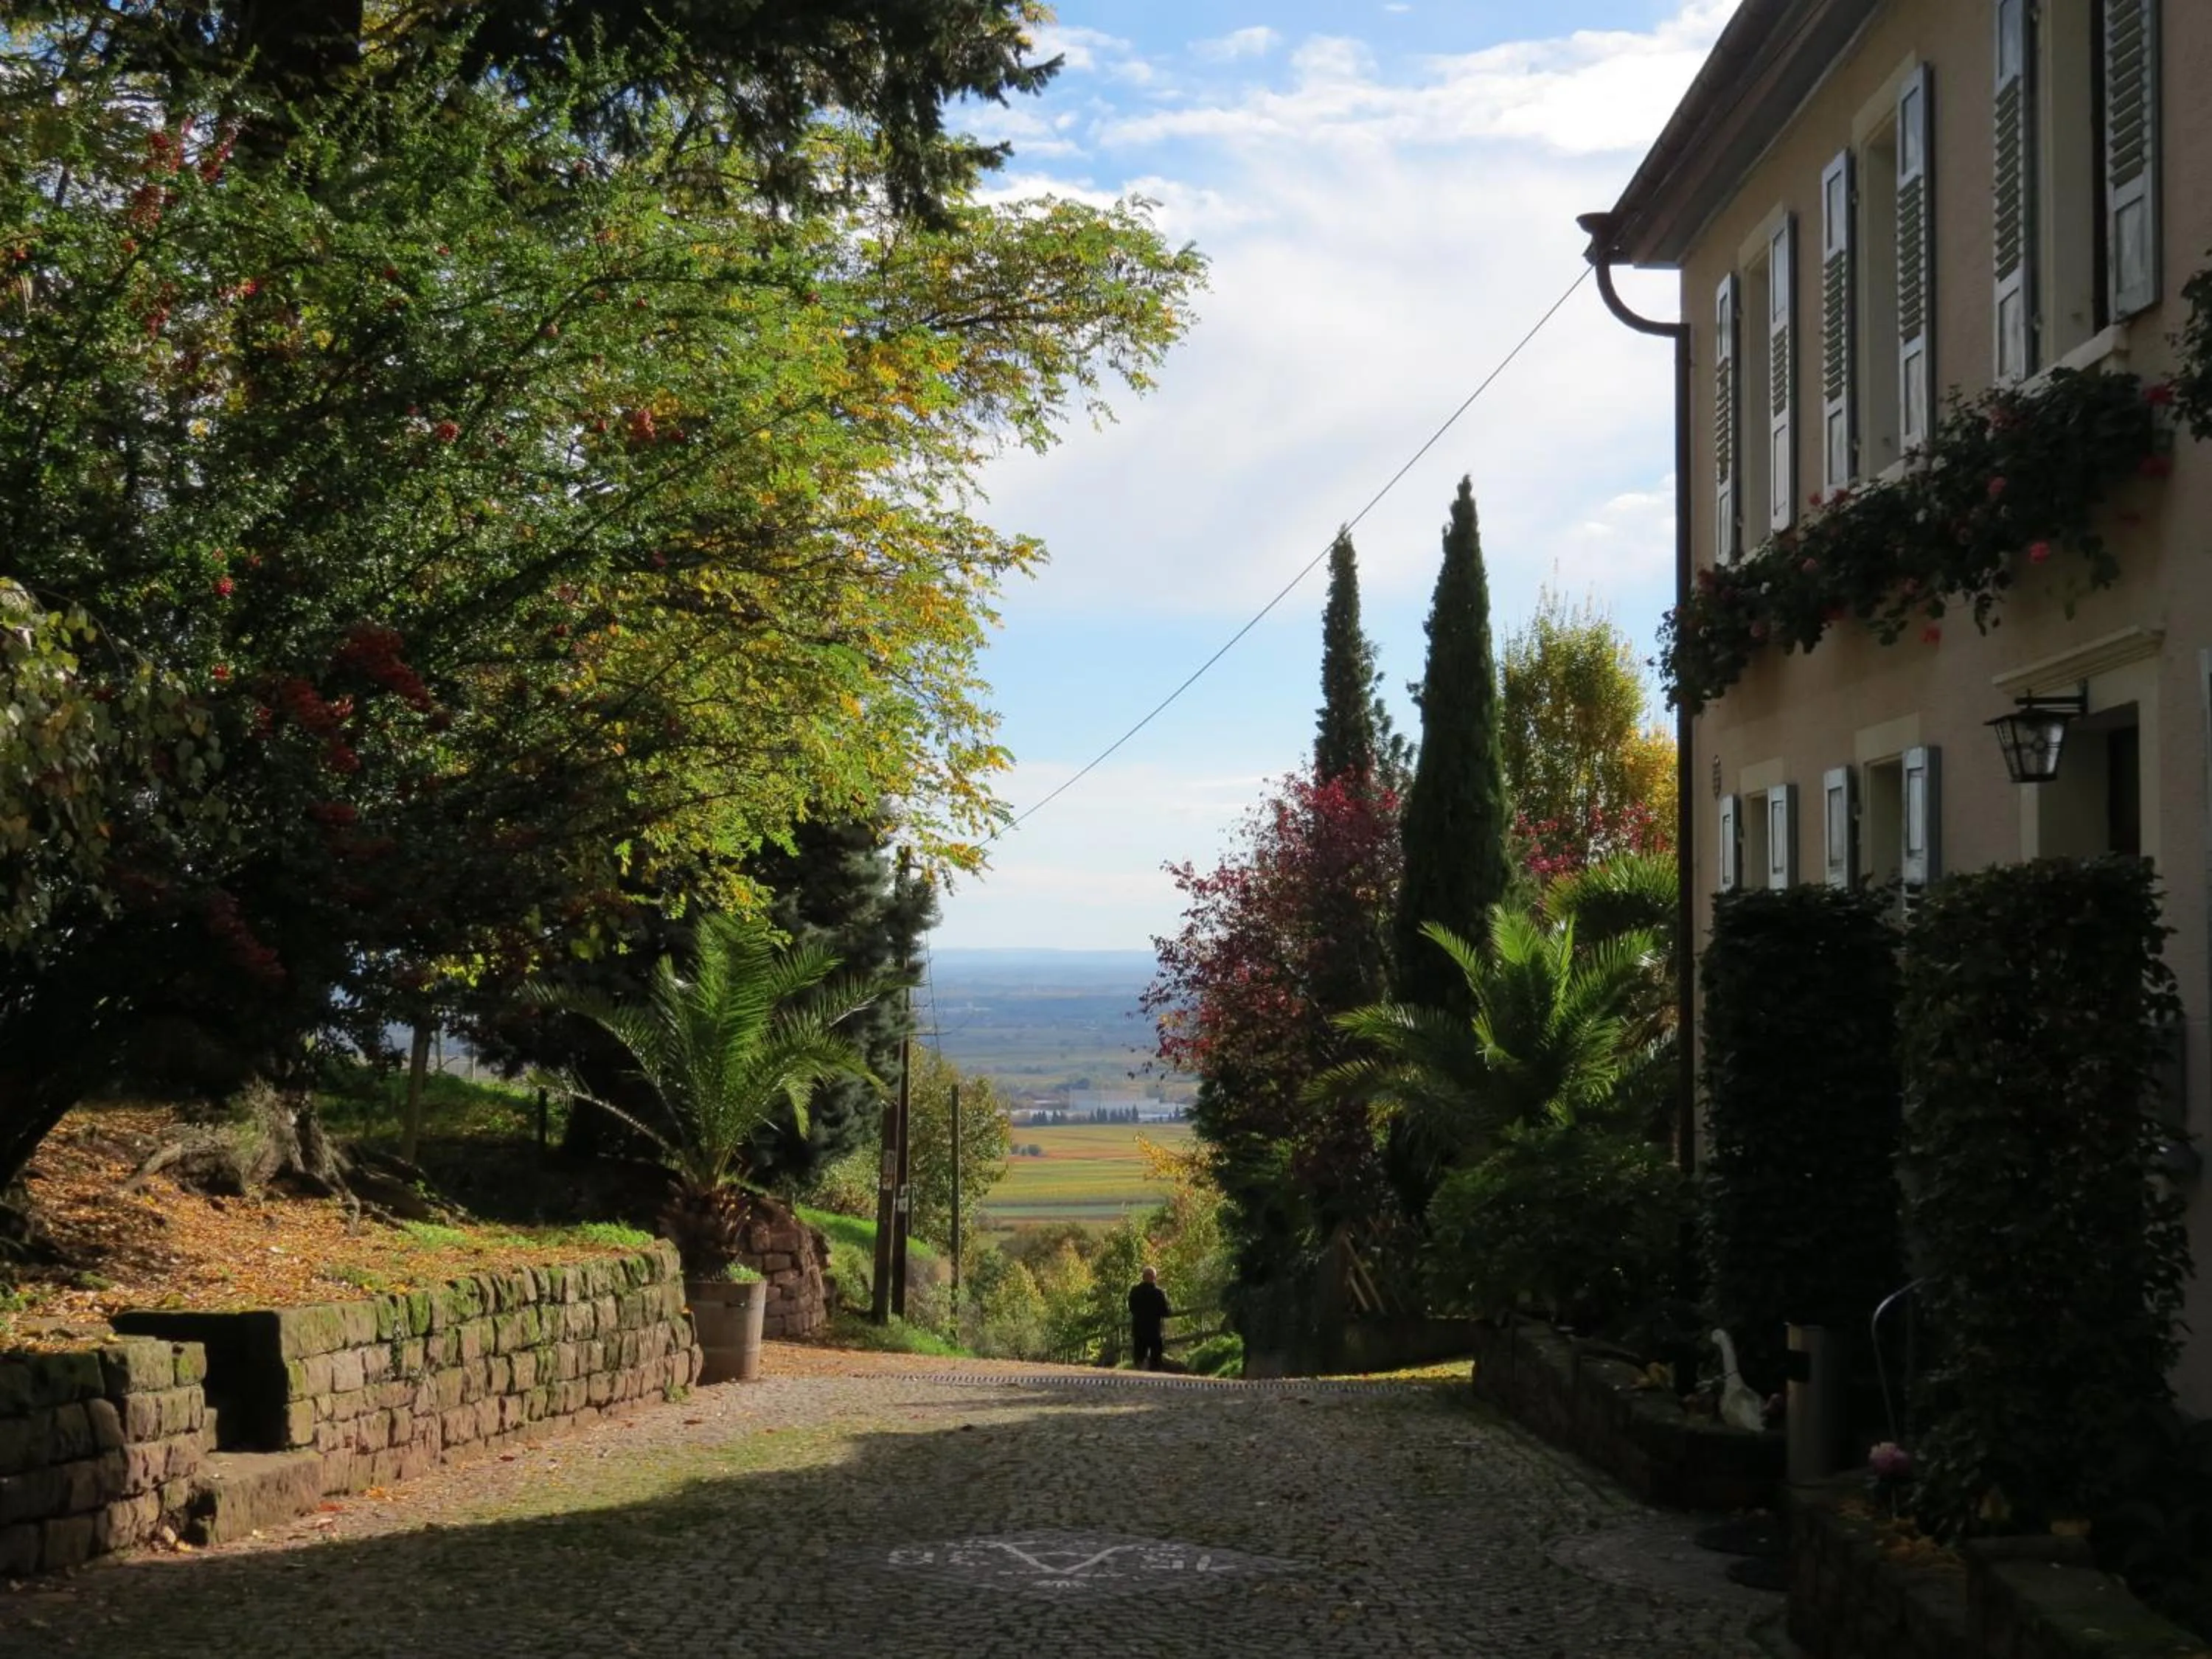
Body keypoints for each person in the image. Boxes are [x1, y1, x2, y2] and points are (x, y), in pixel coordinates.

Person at [1127, 1266, 1171, 1371]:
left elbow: (1131, 1307)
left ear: (1143, 1277)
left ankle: (1138, 1377)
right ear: (1154, 1278)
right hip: (1154, 1330)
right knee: (1155, 1360)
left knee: (1139, 1357)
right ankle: (1153, 1378)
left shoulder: (1135, 1291)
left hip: (1139, 1329)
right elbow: (1166, 1311)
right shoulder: (1159, 1293)